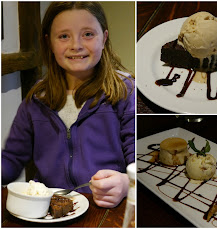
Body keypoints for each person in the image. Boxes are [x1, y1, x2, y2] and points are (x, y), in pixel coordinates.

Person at [2, 2, 135, 208]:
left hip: (105, 208)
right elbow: (10, 160)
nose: (76, 45)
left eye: (88, 34)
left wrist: (128, 183)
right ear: (49, 43)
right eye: (64, 36)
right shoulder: (36, 98)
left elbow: (141, 160)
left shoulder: (125, 91)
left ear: (104, 37)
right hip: (49, 208)